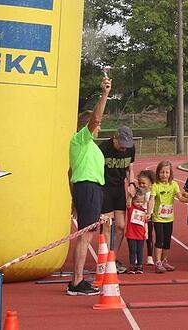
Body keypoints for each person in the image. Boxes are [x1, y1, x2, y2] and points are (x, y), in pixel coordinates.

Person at [67, 77, 110, 295]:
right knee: (85, 236)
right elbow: (95, 119)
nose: (99, 127)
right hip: (88, 187)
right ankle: (76, 281)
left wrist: (74, 200)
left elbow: (69, 173)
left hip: (91, 189)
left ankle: (78, 279)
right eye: (96, 125)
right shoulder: (80, 139)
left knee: (87, 235)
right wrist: (104, 94)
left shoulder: (91, 147)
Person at [99, 124, 135, 273]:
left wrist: (131, 183)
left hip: (119, 188)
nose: (123, 148)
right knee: (106, 225)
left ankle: (113, 259)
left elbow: (130, 168)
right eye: (121, 144)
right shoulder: (103, 148)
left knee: (120, 226)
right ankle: (104, 258)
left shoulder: (130, 148)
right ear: (114, 138)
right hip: (104, 188)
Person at [152, 160, 188, 273]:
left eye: (167, 172)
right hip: (158, 217)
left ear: (170, 174)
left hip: (169, 218)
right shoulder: (156, 186)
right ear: (158, 173)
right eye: (162, 172)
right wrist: (149, 211)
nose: (164, 175)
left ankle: (164, 260)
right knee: (159, 239)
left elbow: (180, 197)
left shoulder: (174, 185)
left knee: (167, 240)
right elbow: (151, 200)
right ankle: (158, 262)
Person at [125, 187, 149, 274]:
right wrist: (130, 196)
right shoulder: (131, 208)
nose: (139, 203)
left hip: (140, 234)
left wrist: (146, 232)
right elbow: (128, 204)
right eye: (137, 201)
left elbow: (145, 222)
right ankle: (132, 265)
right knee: (133, 250)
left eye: (141, 202)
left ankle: (139, 265)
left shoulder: (143, 211)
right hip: (131, 234)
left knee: (140, 251)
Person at [135, 170, 156, 266]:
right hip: (138, 218)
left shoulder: (152, 194)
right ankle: (136, 257)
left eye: (144, 183)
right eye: (140, 183)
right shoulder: (137, 192)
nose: (141, 185)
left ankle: (150, 256)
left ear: (150, 184)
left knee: (149, 237)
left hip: (149, 218)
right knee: (138, 238)